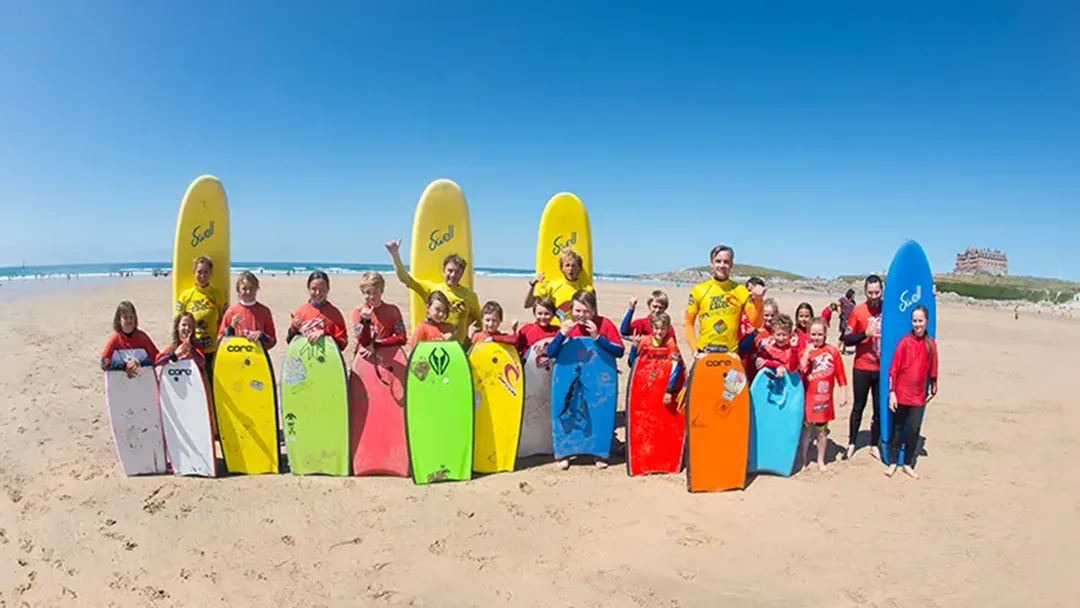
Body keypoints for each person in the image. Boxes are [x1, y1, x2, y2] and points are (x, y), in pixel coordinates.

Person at [545, 290, 625, 470]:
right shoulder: (567, 326)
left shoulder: (604, 324)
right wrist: (561, 335)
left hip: (598, 378)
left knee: (597, 413)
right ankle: (565, 452)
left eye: (586, 311)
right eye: (578, 311)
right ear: (572, 310)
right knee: (567, 411)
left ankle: (599, 452)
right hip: (569, 376)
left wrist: (598, 337)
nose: (581, 315)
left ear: (594, 310)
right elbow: (551, 353)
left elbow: (619, 351)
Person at [385, 238, 481, 346]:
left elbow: (479, 320)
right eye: (450, 270)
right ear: (443, 270)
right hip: (433, 346)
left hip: (459, 348)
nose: (453, 275)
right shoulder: (432, 289)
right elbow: (405, 278)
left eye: (457, 272)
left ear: (462, 274)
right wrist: (395, 254)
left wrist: (470, 331)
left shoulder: (470, 296)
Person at [885, 305, 938, 479]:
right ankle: (893, 462)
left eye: (920, 321)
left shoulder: (931, 344)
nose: (917, 324)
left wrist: (934, 383)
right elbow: (893, 369)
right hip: (901, 393)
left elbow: (933, 367)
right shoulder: (904, 342)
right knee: (898, 429)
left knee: (914, 430)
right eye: (914, 321)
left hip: (918, 396)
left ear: (927, 322)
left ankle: (907, 464)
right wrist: (892, 392)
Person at [684, 245, 766, 356]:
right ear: (711, 264)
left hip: (731, 354)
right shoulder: (699, 290)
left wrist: (758, 300)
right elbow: (688, 324)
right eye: (718, 261)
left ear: (731, 264)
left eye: (726, 262)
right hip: (704, 353)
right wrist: (694, 351)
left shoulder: (740, 290)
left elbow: (757, 323)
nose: (722, 265)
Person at [842, 275, 884, 460]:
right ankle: (852, 443)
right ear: (865, 292)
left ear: (882, 291)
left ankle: (874, 444)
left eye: (877, 292)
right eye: (870, 292)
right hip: (862, 367)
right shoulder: (858, 311)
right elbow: (847, 339)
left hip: (882, 370)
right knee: (858, 406)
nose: (874, 296)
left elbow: (914, 313)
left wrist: (930, 296)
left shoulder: (889, 309)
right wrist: (865, 334)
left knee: (878, 409)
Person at [798, 317, 848, 472]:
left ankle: (820, 460)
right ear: (808, 334)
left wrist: (843, 393)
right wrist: (807, 352)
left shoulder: (832, 352)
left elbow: (841, 375)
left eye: (820, 334)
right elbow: (800, 369)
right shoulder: (805, 351)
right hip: (808, 399)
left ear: (825, 334)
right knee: (806, 431)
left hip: (825, 401)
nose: (816, 338)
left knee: (822, 432)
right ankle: (803, 458)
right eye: (813, 334)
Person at [175, 255, 227, 380]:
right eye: (199, 272)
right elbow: (178, 324)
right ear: (194, 272)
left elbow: (225, 320)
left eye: (206, 272)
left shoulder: (218, 295)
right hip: (191, 349)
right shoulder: (186, 296)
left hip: (212, 350)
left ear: (211, 273)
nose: (202, 276)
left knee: (211, 385)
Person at [630, 312, 686, 406]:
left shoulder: (670, 342)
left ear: (668, 329)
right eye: (656, 328)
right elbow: (632, 364)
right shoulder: (645, 341)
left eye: (663, 329)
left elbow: (676, 366)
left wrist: (669, 390)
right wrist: (634, 347)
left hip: (663, 383)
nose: (659, 332)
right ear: (651, 328)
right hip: (647, 383)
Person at [524, 249, 594, 324]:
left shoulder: (586, 289)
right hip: (555, 330)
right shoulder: (552, 286)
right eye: (567, 265)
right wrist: (532, 284)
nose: (570, 269)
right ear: (562, 268)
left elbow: (593, 315)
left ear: (579, 268)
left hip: (577, 331)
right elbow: (528, 304)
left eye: (574, 266)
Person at [287, 271, 349, 351]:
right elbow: (290, 341)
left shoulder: (335, 314)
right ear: (308, 289)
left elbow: (342, 345)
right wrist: (294, 328)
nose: (318, 293)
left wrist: (325, 334)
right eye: (314, 289)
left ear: (328, 289)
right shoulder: (301, 311)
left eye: (322, 289)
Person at [351, 271, 407, 360]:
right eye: (367, 293)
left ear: (381, 290)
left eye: (375, 292)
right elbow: (363, 342)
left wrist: (376, 344)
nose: (372, 296)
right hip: (364, 358)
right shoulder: (358, 312)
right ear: (362, 293)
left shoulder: (393, 311)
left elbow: (402, 338)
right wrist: (366, 321)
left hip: (386, 357)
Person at [218, 271, 277, 351]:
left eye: (251, 288)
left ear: (257, 288)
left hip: (258, 356)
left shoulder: (264, 311)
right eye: (244, 289)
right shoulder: (231, 311)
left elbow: (272, 341)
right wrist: (231, 328)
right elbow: (220, 340)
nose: (248, 292)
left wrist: (261, 336)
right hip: (235, 356)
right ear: (238, 290)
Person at [100, 301, 159, 377]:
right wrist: (124, 366)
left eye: (131, 317)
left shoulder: (142, 337)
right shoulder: (115, 339)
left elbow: (157, 357)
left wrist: (139, 363)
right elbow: (104, 363)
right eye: (125, 317)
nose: (128, 320)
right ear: (119, 320)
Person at [517, 297, 560, 366]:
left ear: (553, 315)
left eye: (547, 314)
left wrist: (548, 340)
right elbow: (517, 350)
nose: (543, 317)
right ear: (534, 313)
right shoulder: (526, 329)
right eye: (539, 313)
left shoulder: (557, 331)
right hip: (529, 369)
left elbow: (567, 341)